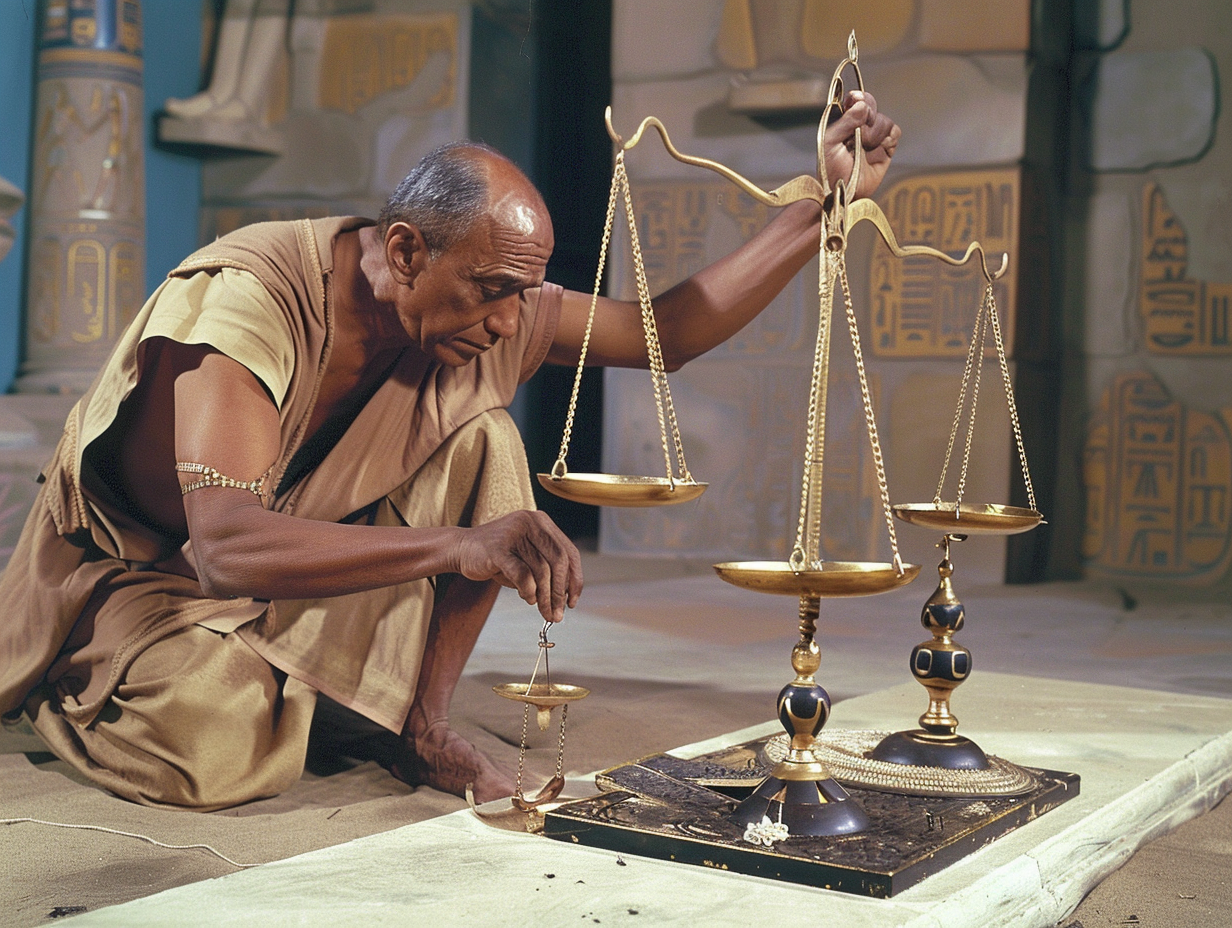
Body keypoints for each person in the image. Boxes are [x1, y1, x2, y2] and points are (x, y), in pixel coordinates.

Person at [0, 92, 899, 811]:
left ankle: (418, 725)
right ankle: (72, 679)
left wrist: (828, 199)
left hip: (269, 568)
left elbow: (662, 332)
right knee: (218, 738)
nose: (512, 321)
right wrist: (463, 546)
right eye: (493, 289)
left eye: (526, 292)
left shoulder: (470, 302)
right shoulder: (249, 302)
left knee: (486, 436)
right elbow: (228, 545)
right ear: (403, 249)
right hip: (140, 576)